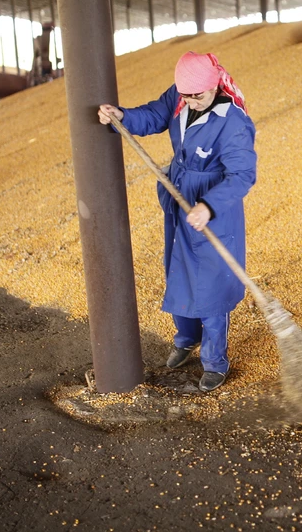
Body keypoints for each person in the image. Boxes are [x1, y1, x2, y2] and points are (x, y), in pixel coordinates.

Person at [97, 52, 256, 393]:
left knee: (211, 283)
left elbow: (242, 175)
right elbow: (155, 115)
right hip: (179, 194)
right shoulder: (182, 96)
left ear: (214, 85)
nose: (189, 102)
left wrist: (208, 206)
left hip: (214, 206)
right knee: (178, 268)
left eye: (196, 96)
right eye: (185, 95)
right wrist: (122, 115)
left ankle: (215, 362)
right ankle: (186, 338)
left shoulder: (233, 122)